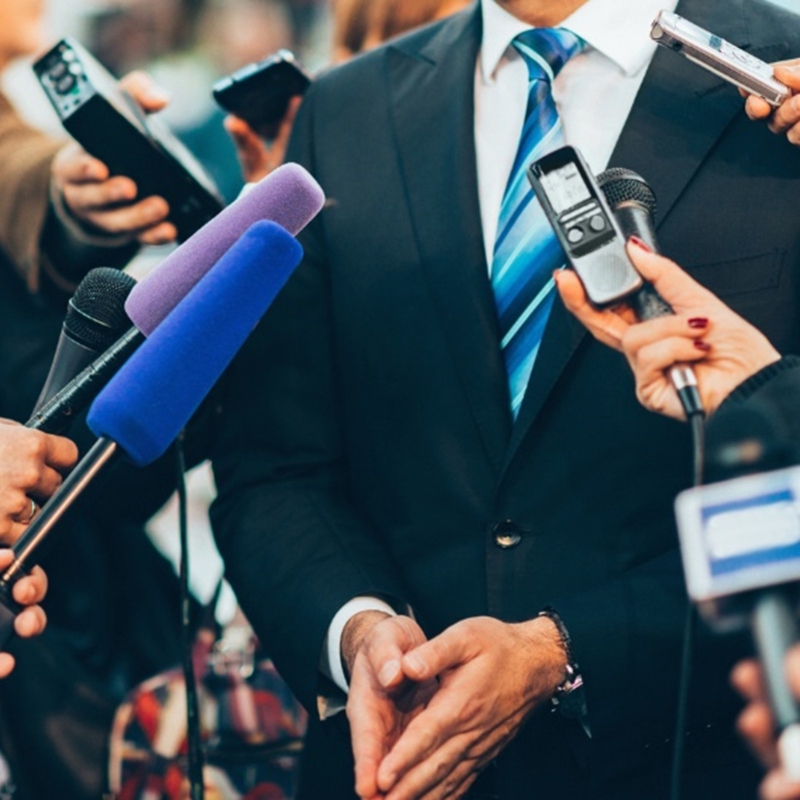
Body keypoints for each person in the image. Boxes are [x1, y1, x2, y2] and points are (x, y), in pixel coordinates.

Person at [210, 0, 800, 797]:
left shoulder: (781, 73)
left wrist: (565, 648)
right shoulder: (347, 106)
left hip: (696, 755)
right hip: (398, 764)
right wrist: (360, 632)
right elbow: (277, 465)